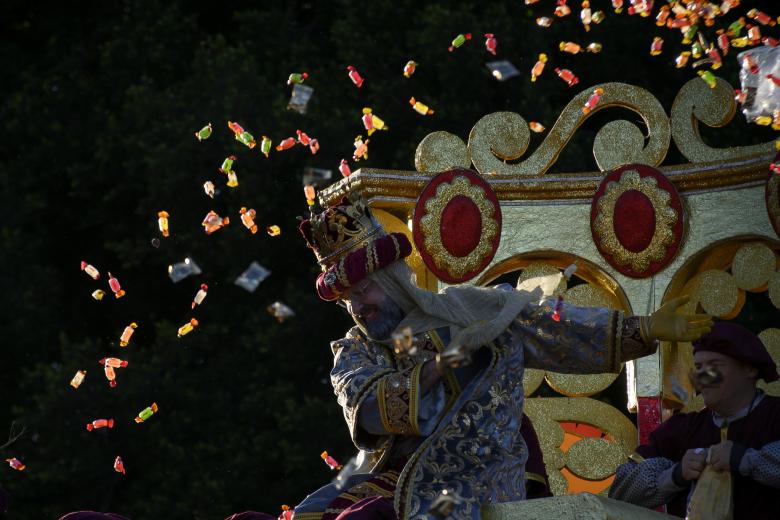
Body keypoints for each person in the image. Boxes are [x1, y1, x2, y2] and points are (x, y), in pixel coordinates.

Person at [290, 194, 711, 520]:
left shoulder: (472, 309)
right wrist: (447, 361)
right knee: (312, 513)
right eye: (347, 298)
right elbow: (368, 408)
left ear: (394, 281)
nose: (357, 307)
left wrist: (646, 328)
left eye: (364, 290)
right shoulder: (357, 347)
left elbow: (556, 328)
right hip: (402, 475)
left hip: (478, 475)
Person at [608, 321, 780, 519]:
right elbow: (620, 492)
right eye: (699, 367)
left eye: (714, 366)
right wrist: (675, 474)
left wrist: (747, 460)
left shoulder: (775, 416)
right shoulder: (680, 429)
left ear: (750, 369)